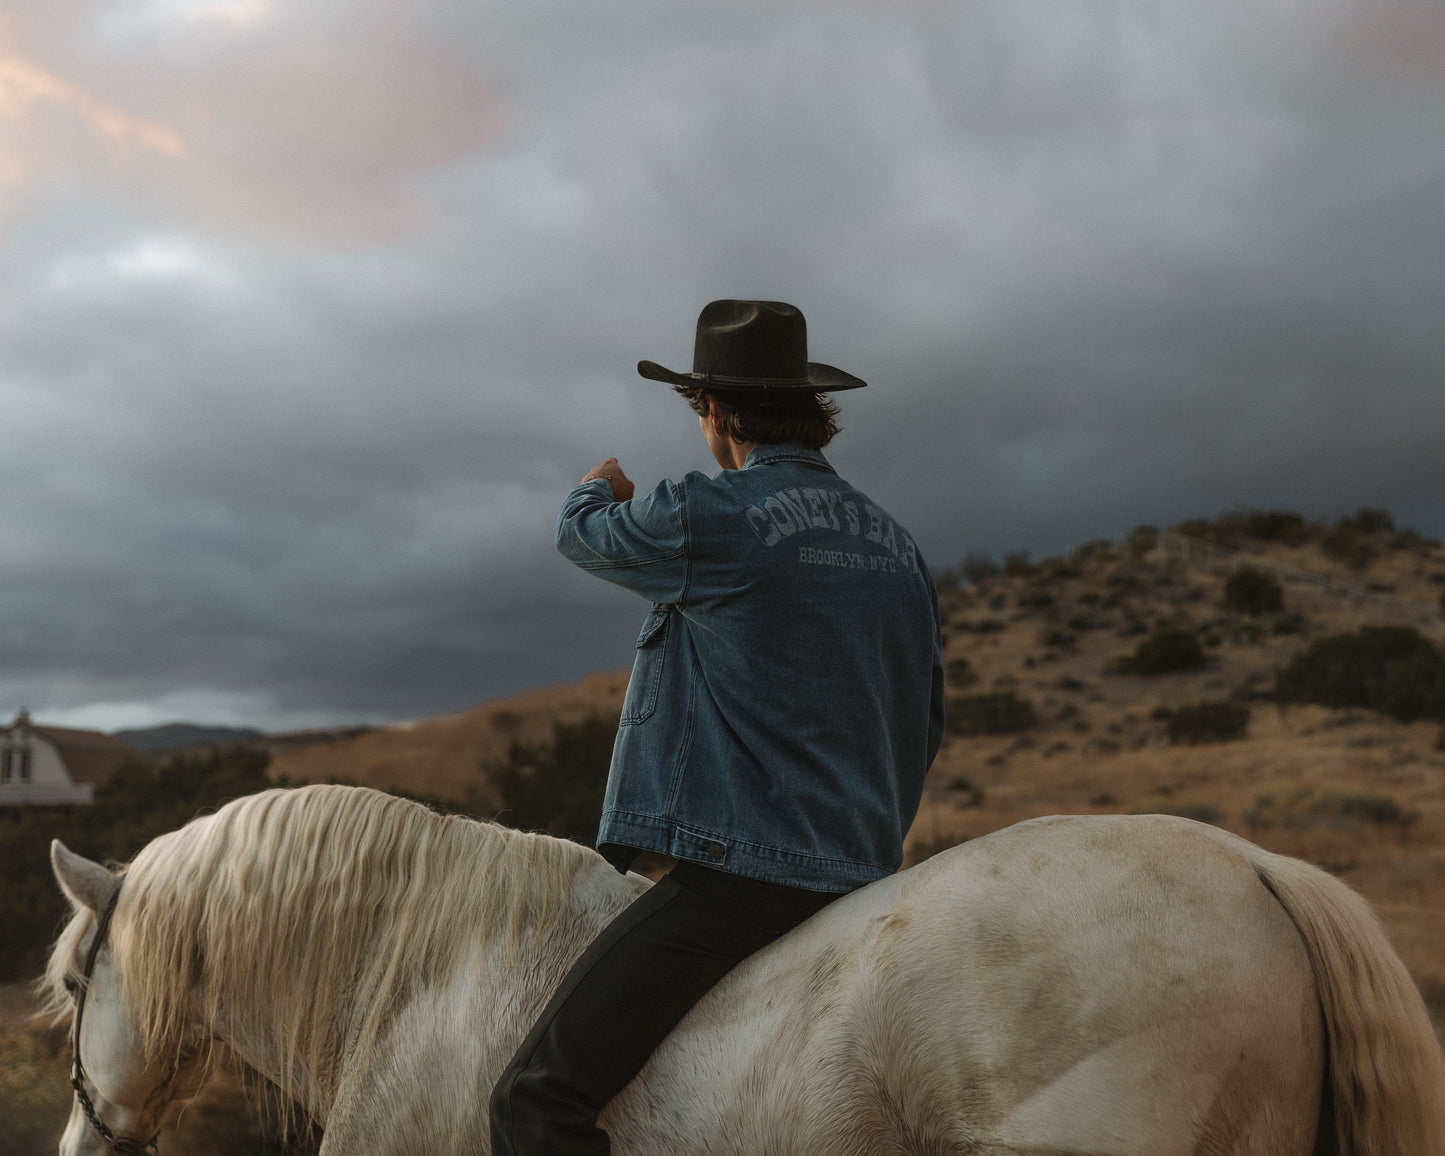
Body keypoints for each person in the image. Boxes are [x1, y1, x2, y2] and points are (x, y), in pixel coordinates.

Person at [489, 299, 945, 1155]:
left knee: (533, 1102)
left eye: (700, 405)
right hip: (867, 871)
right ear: (811, 413)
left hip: (741, 881)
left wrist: (598, 486)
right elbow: (925, 720)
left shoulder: (710, 513)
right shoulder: (897, 543)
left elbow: (577, 536)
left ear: (714, 410)